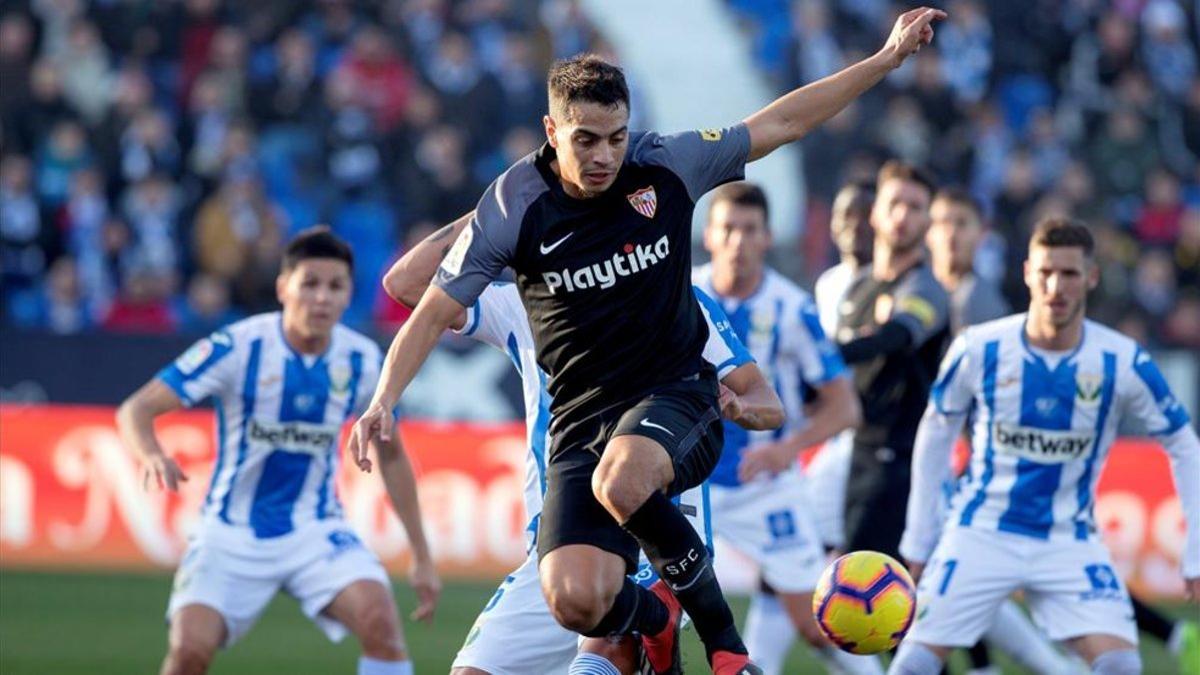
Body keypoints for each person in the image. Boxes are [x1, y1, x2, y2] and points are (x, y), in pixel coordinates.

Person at [351, 11, 944, 673]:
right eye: (586, 141)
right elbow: (422, 298)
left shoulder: (666, 180)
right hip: (575, 454)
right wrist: (384, 396)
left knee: (619, 515)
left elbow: (781, 123)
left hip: (660, 454)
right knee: (567, 603)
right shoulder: (515, 227)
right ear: (552, 134)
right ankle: (658, 623)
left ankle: (724, 646)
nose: (605, 156)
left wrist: (885, 59)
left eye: (616, 137)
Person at [381, 212, 783, 675]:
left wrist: (736, 406)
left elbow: (766, 401)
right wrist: (499, 208)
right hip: (555, 543)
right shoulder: (522, 303)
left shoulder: (678, 299)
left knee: (594, 664)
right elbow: (407, 284)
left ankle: (675, 626)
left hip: (649, 546)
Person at [115, 227, 440, 675]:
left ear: (349, 296)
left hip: (315, 528)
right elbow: (137, 408)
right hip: (229, 532)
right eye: (310, 284)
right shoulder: (236, 347)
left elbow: (393, 454)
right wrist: (150, 453)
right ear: (283, 287)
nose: (322, 298)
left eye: (335, 286)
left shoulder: (363, 360)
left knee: (380, 618)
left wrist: (421, 555)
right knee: (189, 652)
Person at [893, 218, 1200, 675]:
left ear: (1091, 277)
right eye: (1045, 272)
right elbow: (936, 429)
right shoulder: (980, 347)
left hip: (1069, 540)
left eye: (1070, 274)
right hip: (980, 533)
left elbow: (1183, 442)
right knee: (910, 667)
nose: (1056, 286)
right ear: (1026, 273)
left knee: (1121, 665)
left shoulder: (1121, 359)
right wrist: (918, 539)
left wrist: (1195, 550)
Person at [691, 182, 876, 675]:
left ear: (767, 237)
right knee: (644, 611)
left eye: (749, 230)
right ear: (708, 235)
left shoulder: (793, 309)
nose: (737, 241)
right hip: (690, 485)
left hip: (767, 487)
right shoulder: (680, 295)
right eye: (727, 228)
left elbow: (845, 408)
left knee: (819, 623)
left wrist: (784, 449)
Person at [837, 160, 949, 562]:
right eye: (896, 203)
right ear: (876, 211)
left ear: (928, 221)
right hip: (857, 450)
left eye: (916, 207)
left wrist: (819, 353)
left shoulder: (926, 289)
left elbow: (894, 337)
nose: (903, 215)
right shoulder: (859, 288)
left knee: (862, 589)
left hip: (901, 459)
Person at [809, 180, 875, 555]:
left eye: (865, 215)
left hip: (871, 432)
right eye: (846, 215)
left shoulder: (889, 284)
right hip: (832, 431)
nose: (855, 225)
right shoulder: (828, 284)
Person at [926, 187, 1010, 336]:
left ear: (982, 233)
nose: (951, 232)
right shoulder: (907, 288)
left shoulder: (988, 305)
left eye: (961, 223)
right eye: (942, 222)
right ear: (927, 231)